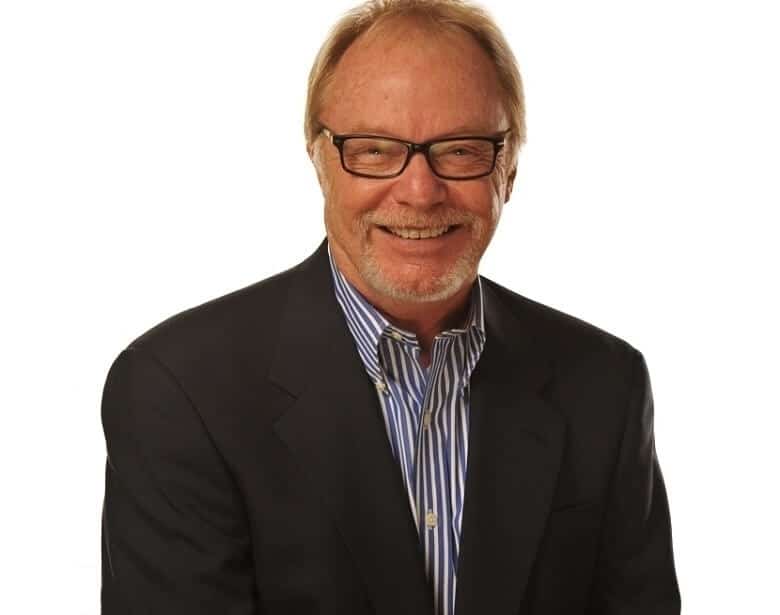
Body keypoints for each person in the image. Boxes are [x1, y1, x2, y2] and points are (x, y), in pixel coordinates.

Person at [100, 1, 680, 613]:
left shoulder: (605, 384)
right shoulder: (179, 390)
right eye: (375, 150)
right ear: (319, 160)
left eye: (460, 150)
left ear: (508, 168)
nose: (420, 191)